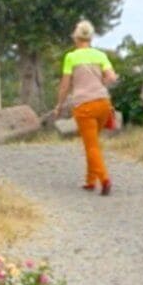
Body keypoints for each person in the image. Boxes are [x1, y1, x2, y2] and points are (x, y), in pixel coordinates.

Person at [56, 21, 121, 195]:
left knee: (91, 145)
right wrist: (101, 82)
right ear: (90, 38)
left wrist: (60, 105)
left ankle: (104, 179)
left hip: (84, 105)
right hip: (103, 104)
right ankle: (90, 180)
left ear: (76, 38)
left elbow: (65, 85)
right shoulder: (100, 55)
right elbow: (112, 78)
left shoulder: (71, 57)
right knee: (93, 142)